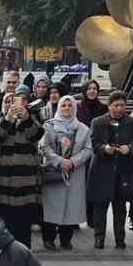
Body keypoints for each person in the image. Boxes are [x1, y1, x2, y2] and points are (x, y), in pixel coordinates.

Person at [0, 93, 45, 248]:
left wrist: (25, 118)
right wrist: (8, 119)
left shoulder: (31, 118)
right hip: (5, 181)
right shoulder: (0, 119)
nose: (10, 105)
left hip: (26, 182)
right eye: (7, 102)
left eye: (14, 102)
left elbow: (37, 134)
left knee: (23, 226)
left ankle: (24, 254)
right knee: (5, 223)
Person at [87, 90, 133, 249]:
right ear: (109, 106)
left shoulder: (132, 122)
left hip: (123, 170)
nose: (119, 108)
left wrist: (129, 147)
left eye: (122, 105)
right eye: (116, 105)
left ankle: (120, 238)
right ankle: (99, 238)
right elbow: (94, 144)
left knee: (120, 205)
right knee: (100, 205)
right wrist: (104, 148)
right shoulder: (98, 122)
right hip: (102, 169)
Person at [38, 94, 92, 251]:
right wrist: (59, 161)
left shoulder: (83, 128)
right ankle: (48, 239)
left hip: (74, 174)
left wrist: (73, 162)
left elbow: (88, 149)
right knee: (51, 207)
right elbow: (44, 147)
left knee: (71, 207)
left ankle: (66, 239)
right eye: (63, 105)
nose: (67, 108)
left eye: (70, 106)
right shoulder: (49, 126)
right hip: (54, 172)